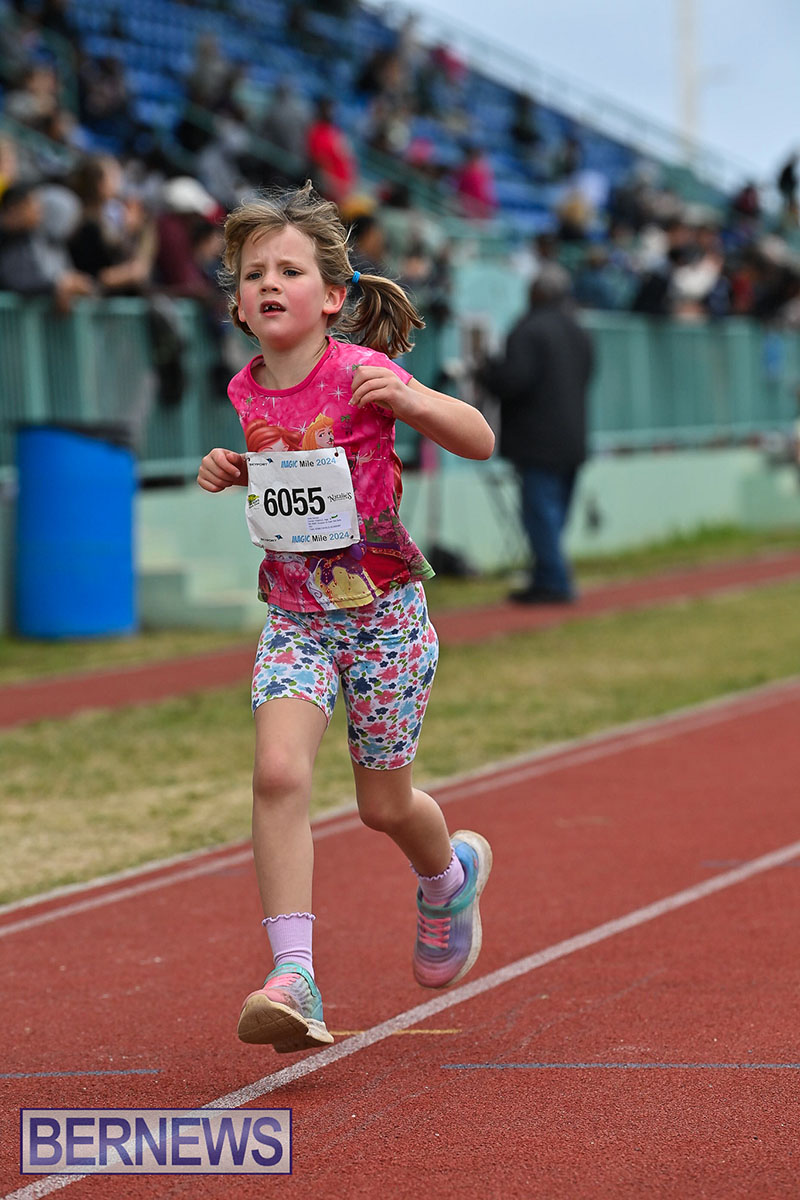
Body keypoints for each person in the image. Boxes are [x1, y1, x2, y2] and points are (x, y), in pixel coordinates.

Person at [196, 182, 494, 1053]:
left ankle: (448, 878)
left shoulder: (362, 372)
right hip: (296, 617)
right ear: (239, 306)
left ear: (332, 295)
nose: (269, 283)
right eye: (255, 274)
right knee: (278, 772)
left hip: (383, 620)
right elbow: (296, 476)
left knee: (383, 805)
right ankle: (294, 974)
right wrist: (239, 468)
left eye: (289, 270)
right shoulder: (246, 389)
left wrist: (414, 403)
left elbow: (478, 438)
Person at [478, 263, 594, 605]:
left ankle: (554, 582)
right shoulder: (579, 329)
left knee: (541, 513)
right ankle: (547, 575)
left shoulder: (528, 329)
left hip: (537, 439)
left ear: (536, 293)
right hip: (573, 435)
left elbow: (514, 380)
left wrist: (488, 373)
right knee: (555, 514)